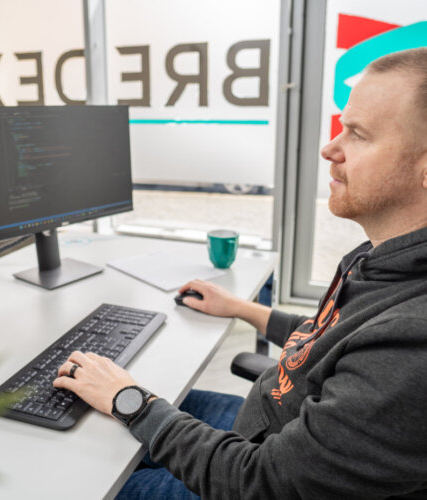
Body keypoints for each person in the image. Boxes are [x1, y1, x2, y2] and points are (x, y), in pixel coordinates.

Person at [54, 48, 427, 499]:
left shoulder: (412, 342)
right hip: (262, 425)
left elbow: (262, 482)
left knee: (81, 480)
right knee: (94, 426)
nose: (330, 148)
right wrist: (243, 309)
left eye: (357, 134)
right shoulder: (383, 258)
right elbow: (332, 340)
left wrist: (128, 400)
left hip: (253, 471)